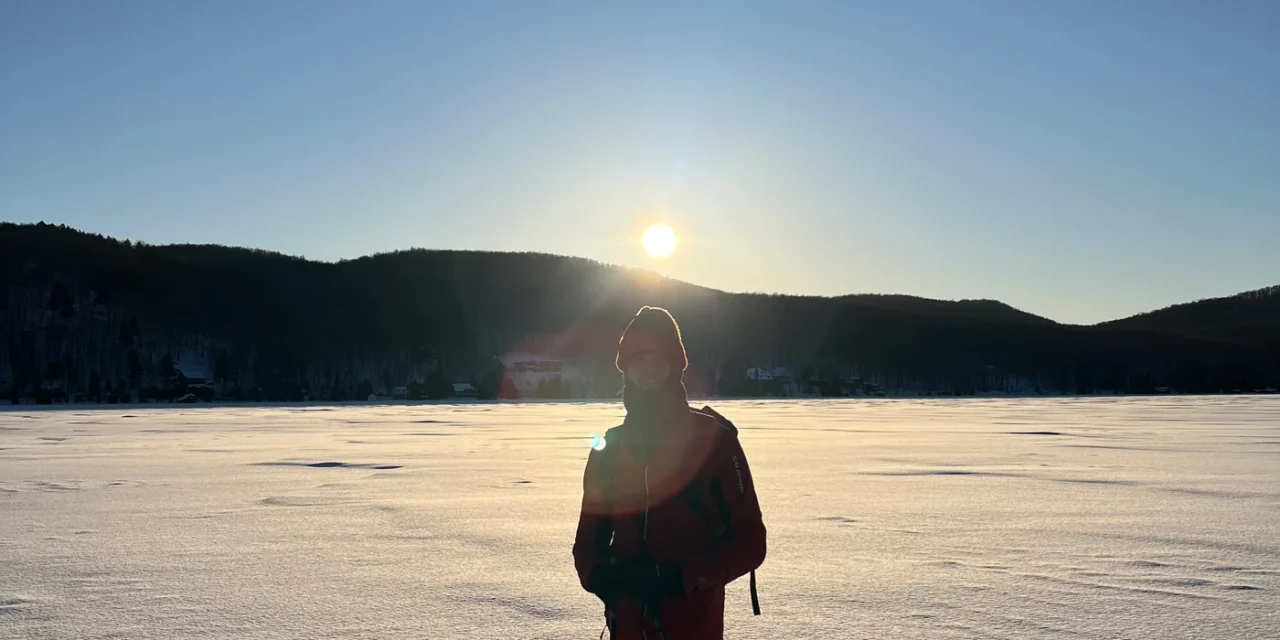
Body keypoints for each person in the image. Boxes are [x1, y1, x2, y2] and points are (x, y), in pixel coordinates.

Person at [573, 306, 767, 640]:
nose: (648, 371)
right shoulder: (610, 448)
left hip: (693, 624)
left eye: (658, 359)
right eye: (639, 360)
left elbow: (751, 542)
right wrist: (602, 579)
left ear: (675, 365)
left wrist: (682, 577)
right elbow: (587, 543)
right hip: (628, 625)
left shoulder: (715, 442)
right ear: (626, 368)